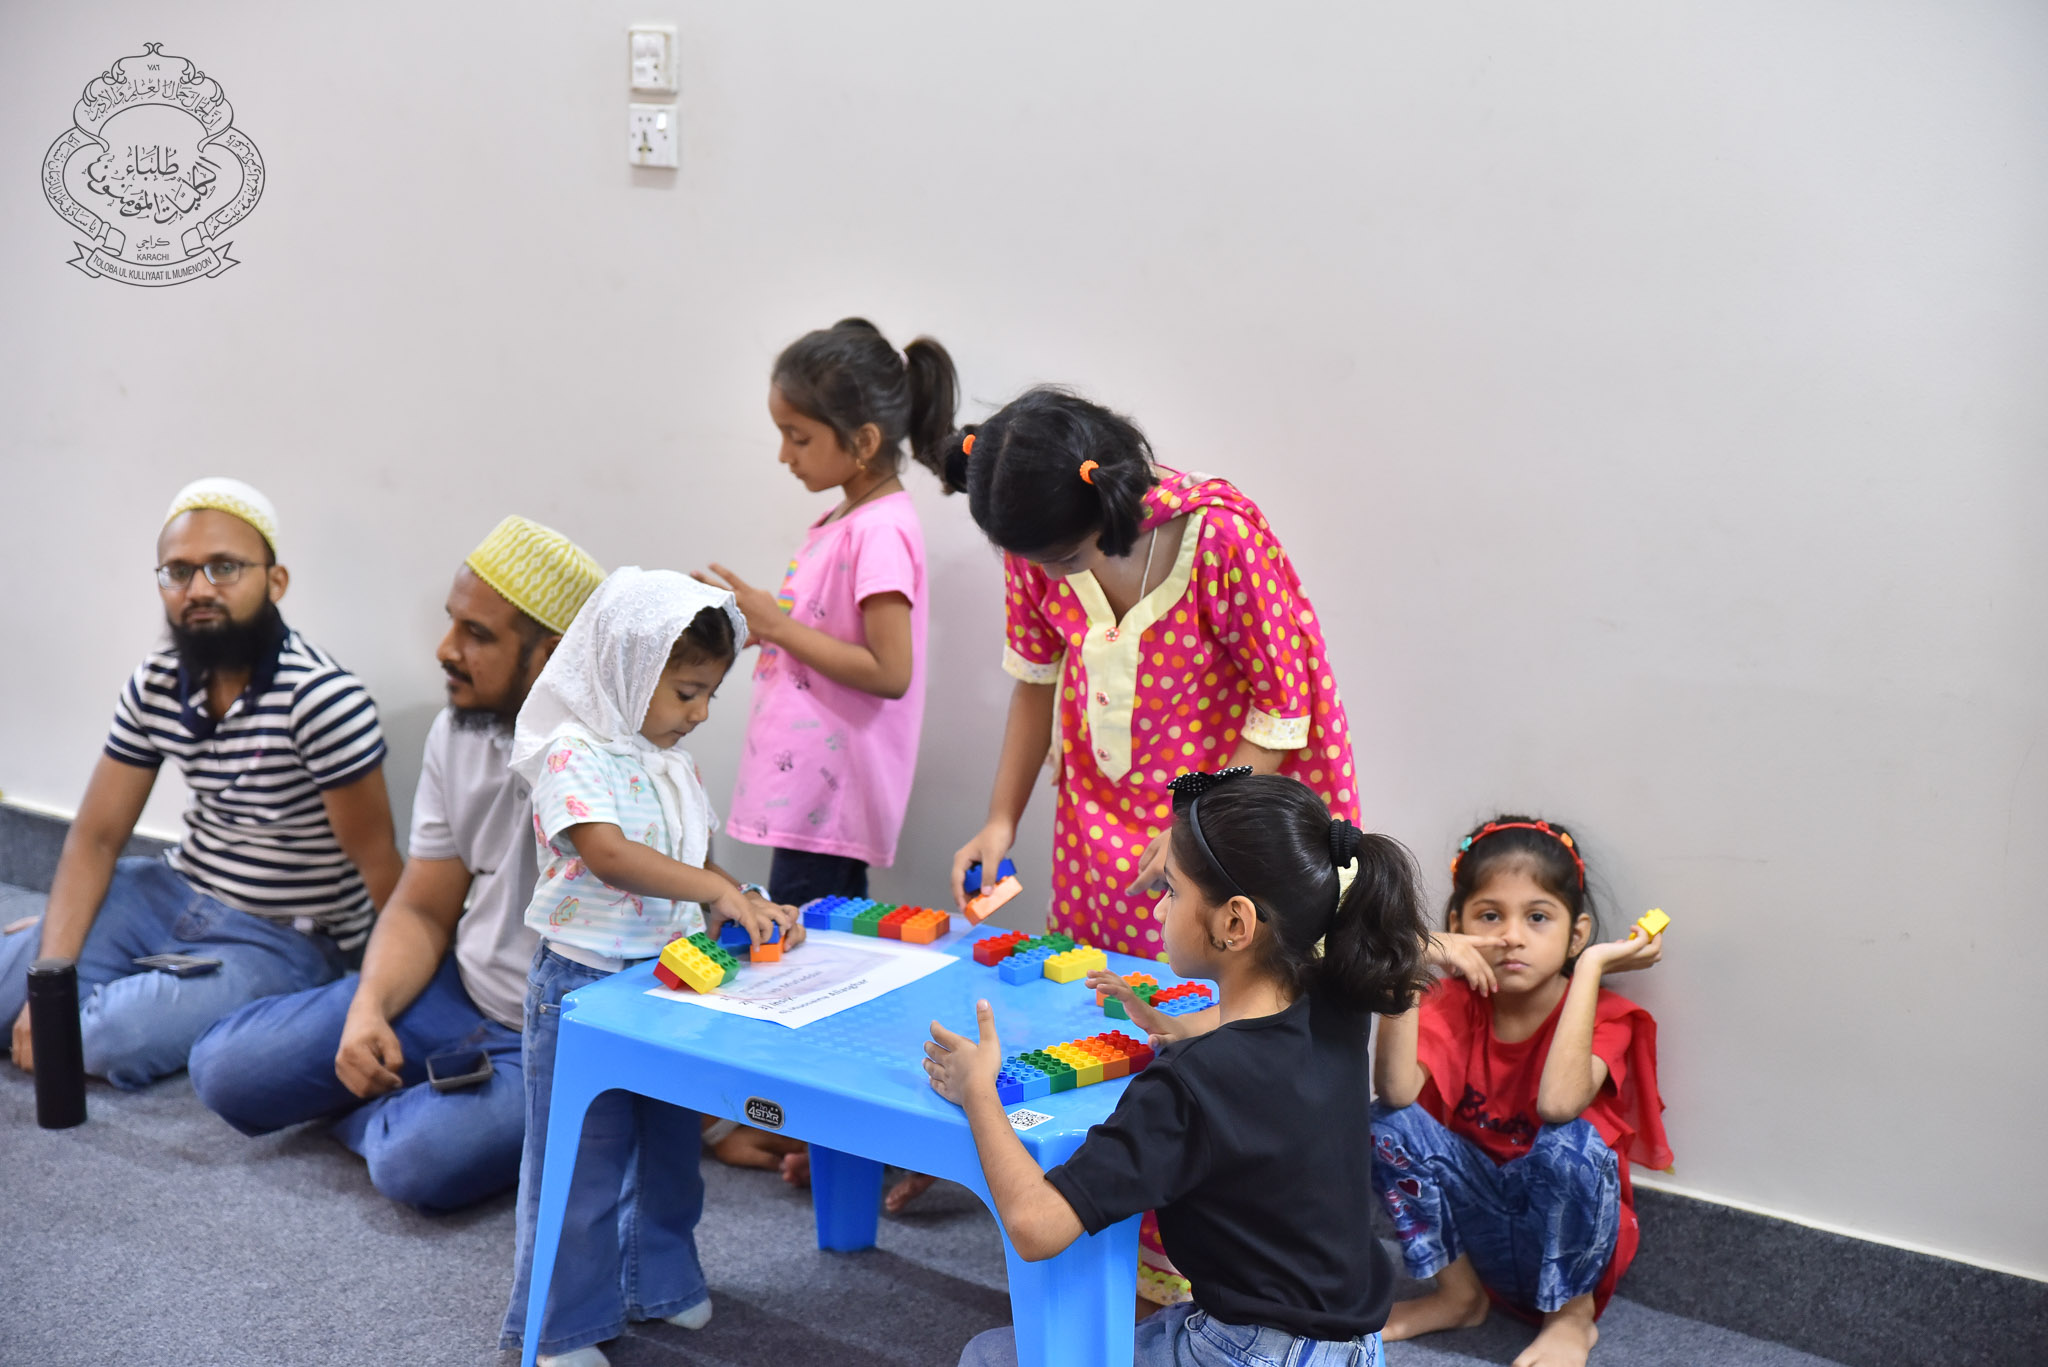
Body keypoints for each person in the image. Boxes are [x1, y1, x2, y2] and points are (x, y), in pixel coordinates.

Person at [935, 387, 1360, 1273]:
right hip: (1102, 816)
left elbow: (1281, 708)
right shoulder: (1037, 542)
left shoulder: (1222, 539)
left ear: (1104, 505)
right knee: (1112, 1013)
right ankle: (1101, 1210)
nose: (1047, 574)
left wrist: (1193, 823)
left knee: (1214, 1017)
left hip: (1220, 823)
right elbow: (1035, 682)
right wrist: (1000, 819)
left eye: (1063, 557)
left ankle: (1193, 1252)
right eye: (1034, 562)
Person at [932, 769, 1427, 1366]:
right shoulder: (1340, 1003)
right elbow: (1248, 1027)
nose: (1160, 906)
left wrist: (978, 1091)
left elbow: (1036, 1226)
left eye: (1171, 889)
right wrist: (1173, 1020)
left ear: (1235, 924)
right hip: (1353, 1346)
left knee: (987, 1355)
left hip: (1251, 1352)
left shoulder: (1190, 1082)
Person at [188, 516, 604, 1212]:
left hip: (551, 1039)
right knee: (223, 1069)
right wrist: (368, 1011)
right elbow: (422, 906)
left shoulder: (624, 766)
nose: (446, 649)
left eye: (477, 634)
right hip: (455, 988)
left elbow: (680, 936)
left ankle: (393, 1111)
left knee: (417, 1163)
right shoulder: (458, 729)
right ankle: (418, 1095)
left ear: (552, 655)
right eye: (452, 622)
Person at [1, 478, 400, 1089]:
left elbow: (378, 863)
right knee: (26, 992)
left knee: (105, 1039)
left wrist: (396, 994)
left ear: (276, 581)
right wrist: (54, 963)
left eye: (225, 567)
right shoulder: (157, 681)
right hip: (165, 892)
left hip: (281, 936)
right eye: (179, 572)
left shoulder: (322, 699)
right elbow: (97, 837)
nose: (200, 589)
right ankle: (106, 965)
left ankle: (131, 982)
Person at [500, 567, 803, 1367]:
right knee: (582, 1162)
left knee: (672, 1144)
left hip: (669, 978)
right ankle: (562, 1326)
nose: (700, 713)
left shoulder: (673, 761)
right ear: (628, 671)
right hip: (585, 987)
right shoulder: (572, 752)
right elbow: (608, 853)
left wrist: (744, 900)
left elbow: (695, 862)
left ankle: (657, 1279)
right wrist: (712, 888)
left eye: (710, 695)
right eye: (687, 692)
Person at [695, 317, 955, 1192]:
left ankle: (825, 1132)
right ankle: (819, 1132)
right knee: (814, 955)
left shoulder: (881, 529)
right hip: (805, 789)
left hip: (829, 795)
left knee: (807, 962)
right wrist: (753, 621)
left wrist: (775, 624)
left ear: (864, 440)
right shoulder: (844, 518)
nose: (784, 454)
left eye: (798, 436)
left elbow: (889, 668)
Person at [1371, 816, 1671, 1367]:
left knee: (1570, 1145)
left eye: (1537, 917)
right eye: (1490, 916)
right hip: (1479, 1229)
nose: (1511, 936)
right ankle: (1459, 1297)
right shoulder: (1455, 1004)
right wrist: (1410, 959)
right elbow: (1394, 1092)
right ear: (1457, 926)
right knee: (1383, 1123)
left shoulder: (1608, 1016)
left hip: (1564, 1239)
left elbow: (1558, 1105)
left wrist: (1591, 967)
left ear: (1576, 934)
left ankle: (1570, 1318)